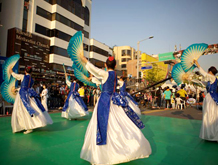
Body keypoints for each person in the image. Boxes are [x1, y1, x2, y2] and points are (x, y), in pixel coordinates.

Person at [80, 56, 151, 165]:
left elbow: (94, 70)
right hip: (114, 100)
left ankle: (104, 153)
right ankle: (126, 145)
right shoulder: (114, 75)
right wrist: (93, 78)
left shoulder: (105, 74)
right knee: (119, 121)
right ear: (116, 66)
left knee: (103, 123)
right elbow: (100, 78)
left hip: (104, 101)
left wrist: (85, 61)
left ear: (105, 65)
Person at [10, 66, 53, 134]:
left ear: (25, 71)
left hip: (23, 95)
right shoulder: (32, 80)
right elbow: (26, 87)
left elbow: (16, 76)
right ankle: (26, 126)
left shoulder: (23, 76)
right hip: (29, 95)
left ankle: (27, 126)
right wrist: (17, 89)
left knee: (22, 110)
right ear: (31, 72)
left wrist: (11, 71)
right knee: (31, 107)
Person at [194, 60, 218, 141]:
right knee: (209, 115)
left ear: (210, 72)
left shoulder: (213, 77)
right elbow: (201, 83)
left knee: (210, 115)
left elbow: (204, 74)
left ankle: (212, 135)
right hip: (209, 98)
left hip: (211, 98)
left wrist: (198, 65)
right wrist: (190, 79)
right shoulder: (210, 80)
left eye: (208, 71)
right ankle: (210, 134)